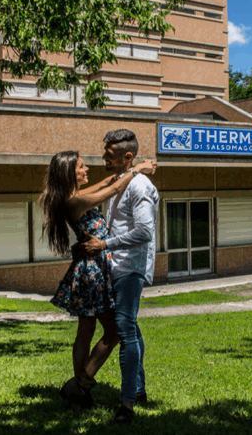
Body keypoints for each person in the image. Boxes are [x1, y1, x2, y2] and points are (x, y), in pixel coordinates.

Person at [39, 150, 157, 413]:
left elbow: (108, 182)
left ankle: (80, 398)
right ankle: (80, 384)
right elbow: (112, 189)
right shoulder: (74, 202)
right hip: (92, 270)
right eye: (81, 167)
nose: (86, 170)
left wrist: (129, 169)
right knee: (114, 331)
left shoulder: (74, 197)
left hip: (90, 267)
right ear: (70, 173)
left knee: (86, 330)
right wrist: (138, 169)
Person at [78, 129, 159, 426]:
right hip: (115, 266)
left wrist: (103, 245)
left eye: (109, 156)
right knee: (131, 329)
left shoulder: (140, 187)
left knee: (125, 333)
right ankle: (138, 391)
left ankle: (126, 405)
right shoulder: (120, 184)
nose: (103, 159)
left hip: (129, 269)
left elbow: (144, 232)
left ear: (127, 157)